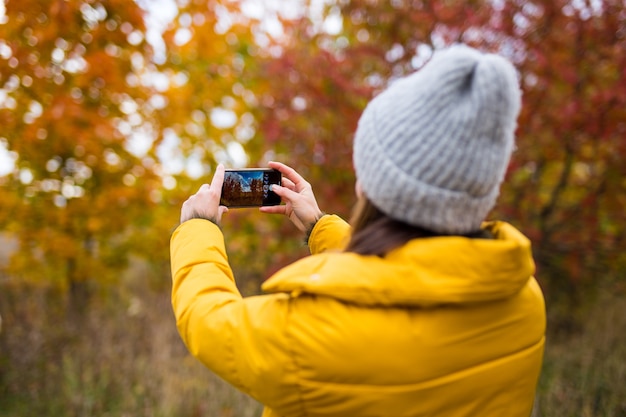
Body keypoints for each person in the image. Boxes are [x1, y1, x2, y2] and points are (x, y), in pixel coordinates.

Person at [170, 44, 546, 417]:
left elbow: (210, 322)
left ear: (373, 187)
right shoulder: (522, 297)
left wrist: (198, 229)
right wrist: (320, 227)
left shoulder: (313, 332)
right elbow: (414, 272)